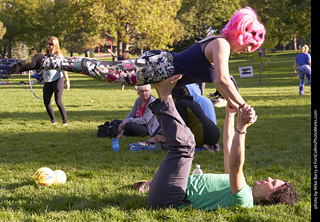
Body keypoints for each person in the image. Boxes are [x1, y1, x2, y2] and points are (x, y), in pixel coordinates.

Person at [12, 7, 265, 111]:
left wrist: (233, 102)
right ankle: (47, 61)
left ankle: (47, 62)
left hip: (162, 67)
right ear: (242, 35)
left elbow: (224, 80)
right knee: (103, 70)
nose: (248, 50)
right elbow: (221, 80)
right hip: (159, 67)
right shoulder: (221, 44)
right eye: (250, 45)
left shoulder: (215, 42)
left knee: (104, 70)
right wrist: (243, 106)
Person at [134, 74, 297, 209]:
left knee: (185, 145)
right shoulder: (239, 187)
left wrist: (242, 128)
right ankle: (164, 95)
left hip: (169, 199)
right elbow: (228, 148)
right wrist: (230, 114)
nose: (269, 178)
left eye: (273, 183)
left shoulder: (244, 199)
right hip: (170, 189)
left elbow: (236, 165)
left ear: (270, 198)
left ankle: (164, 95)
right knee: (187, 142)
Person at [42, 36, 70, 125]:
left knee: (58, 101)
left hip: (57, 80)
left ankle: (65, 121)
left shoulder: (59, 55)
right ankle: (53, 120)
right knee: (46, 102)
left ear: (55, 45)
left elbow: (63, 68)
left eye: (51, 44)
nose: (49, 46)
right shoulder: (45, 55)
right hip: (47, 81)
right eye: (48, 44)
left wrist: (67, 80)